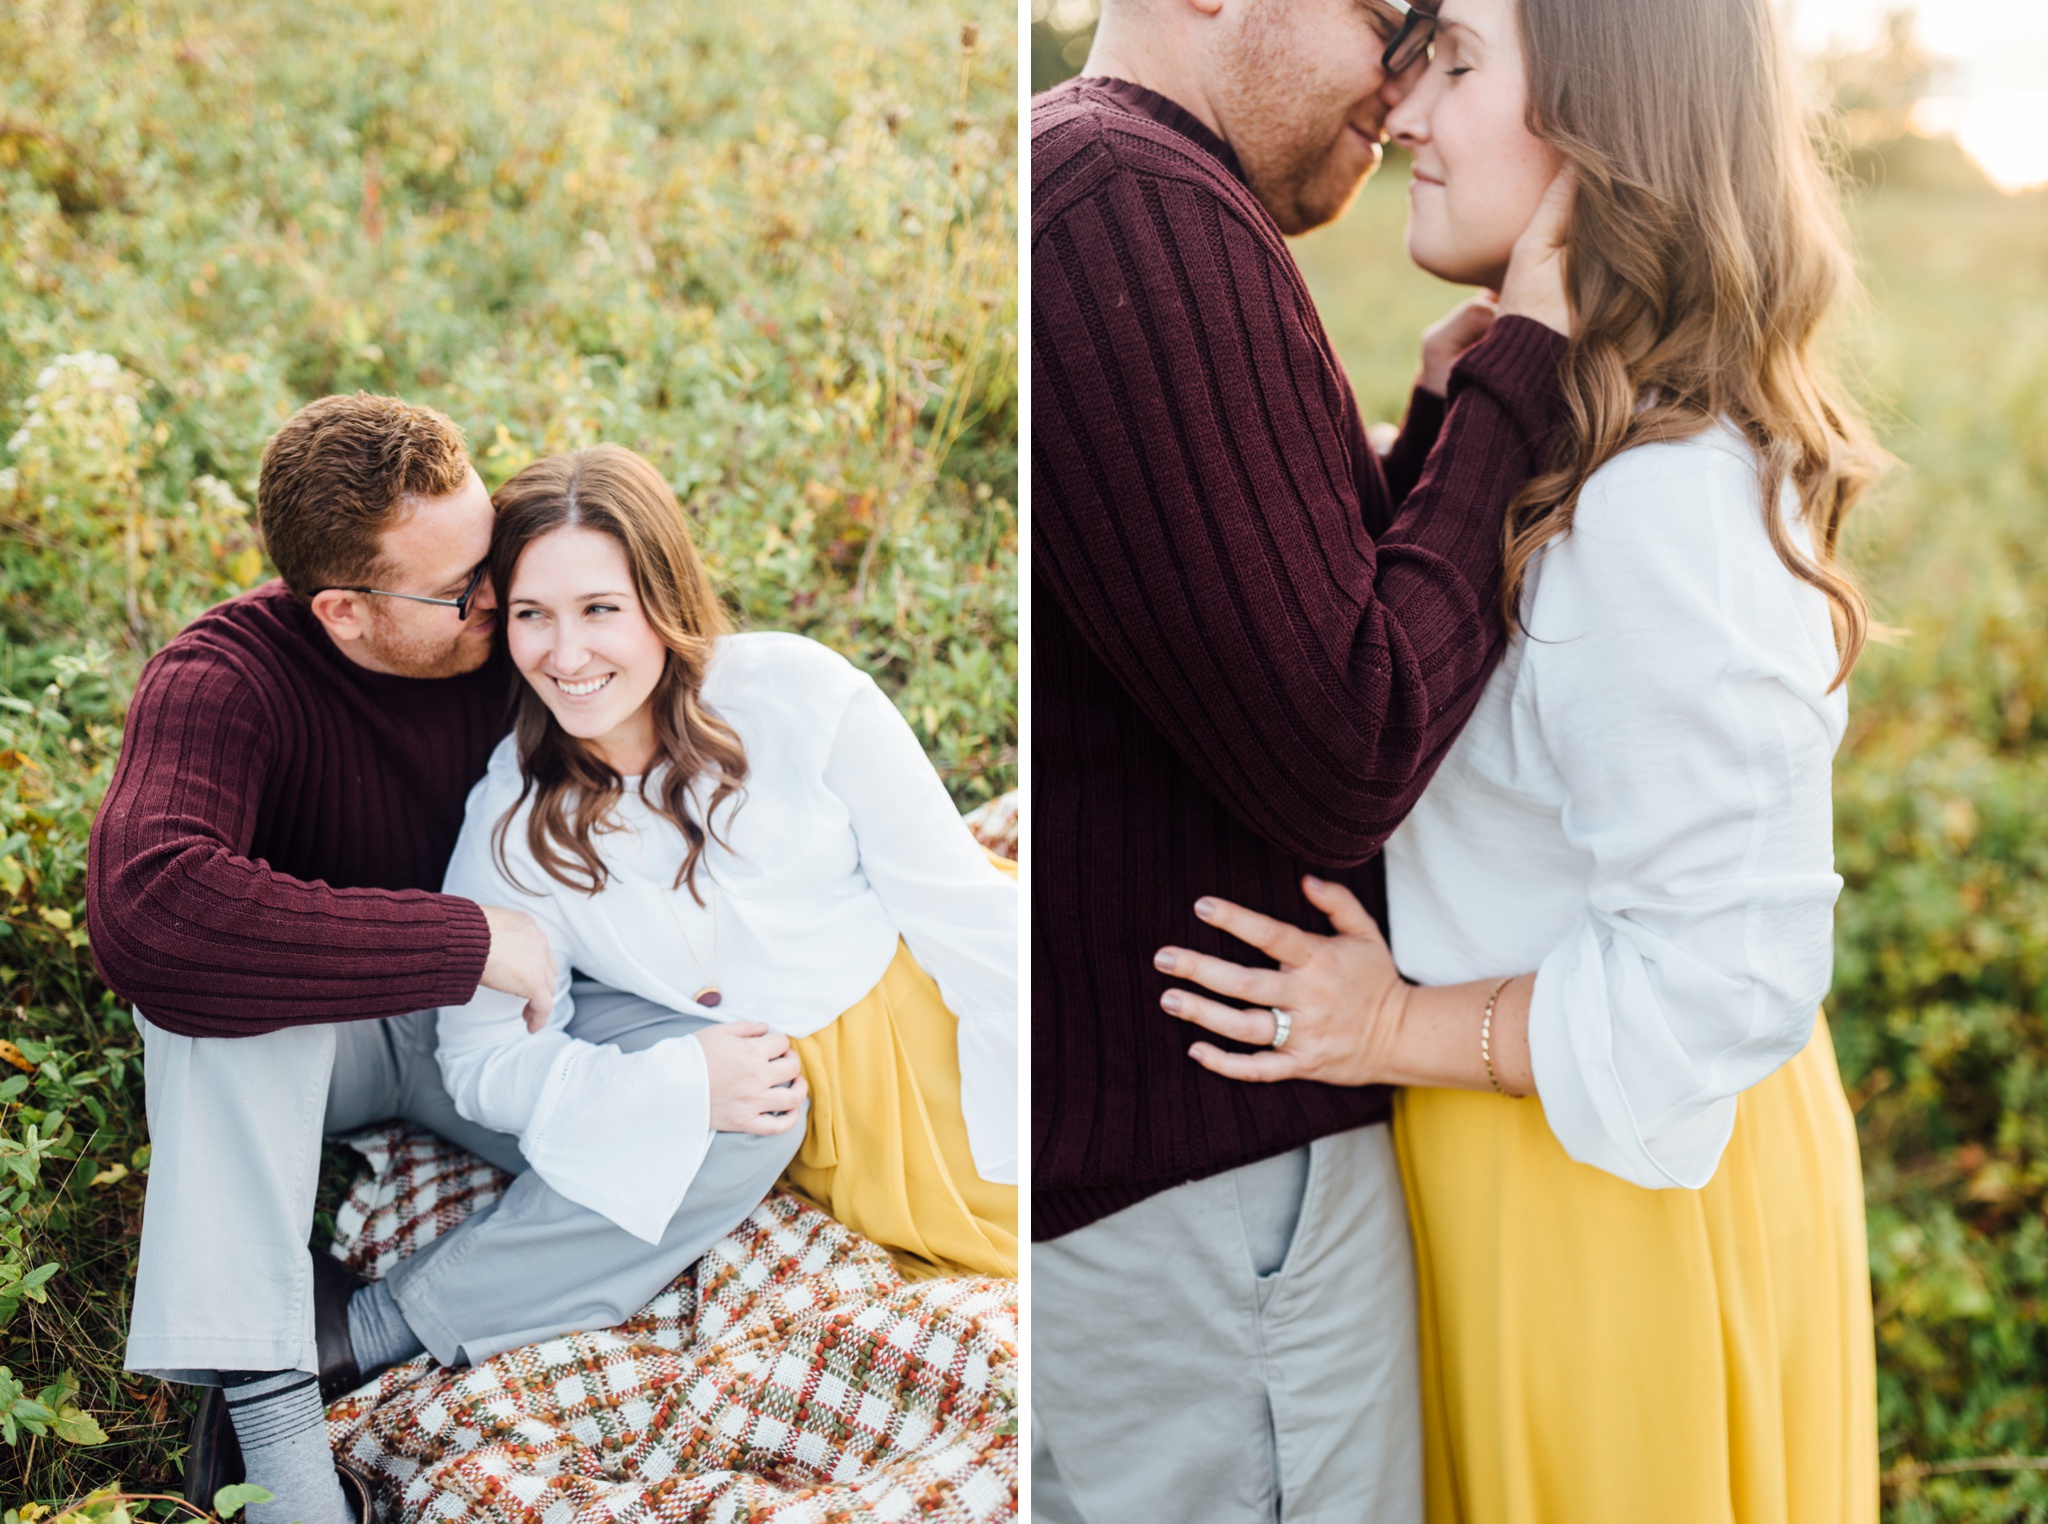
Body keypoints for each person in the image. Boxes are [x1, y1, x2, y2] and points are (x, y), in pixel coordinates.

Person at [1155, 0, 1882, 1517]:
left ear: (1610, 128)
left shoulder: (1659, 502)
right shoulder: (1568, 440)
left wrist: (1390, 1028)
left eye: (1461, 63)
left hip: (1614, 1197)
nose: (1404, 110)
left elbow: (1725, 979)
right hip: (1534, 1159)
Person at [1029, 0, 1572, 1515]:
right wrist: (1524, 373)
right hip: (1209, 1195)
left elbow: (1231, 627)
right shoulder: (1130, 204)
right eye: (1388, 22)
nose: (1400, 94)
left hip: (1165, 1187)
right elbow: (1351, 746)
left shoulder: (1107, 188)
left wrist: (1433, 438)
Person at [88, 397, 804, 1524]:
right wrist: (466, 939)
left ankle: (358, 1331)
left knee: (754, 1098)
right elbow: (151, 909)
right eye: (463, 589)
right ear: (346, 611)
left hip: (521, 1008)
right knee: (210, 996)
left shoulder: (516, 624)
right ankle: (277, 1446)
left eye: (495, 562)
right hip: (320, 1042)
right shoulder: (222, 681)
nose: (501, 603)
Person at [431, 444, 1018, 1281]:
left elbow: (958, 908)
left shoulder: (798, 693)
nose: (565, 655)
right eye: (533, 615)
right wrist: (664, 1087)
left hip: (935, 1014)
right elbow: (480, 1060)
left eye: (601, 608)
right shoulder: (511, 820)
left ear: (661, 599)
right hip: (789, 1106)